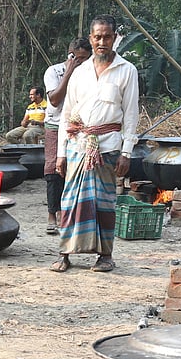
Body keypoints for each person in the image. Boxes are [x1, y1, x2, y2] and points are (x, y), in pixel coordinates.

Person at [51, 15, 139, 273]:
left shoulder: (127, 71)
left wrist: (126, 152)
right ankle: (65, 254)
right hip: (78, 146)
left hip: (109, 147)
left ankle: (105, 256)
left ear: (114, 38)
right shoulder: (79, 73)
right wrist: (60, 153)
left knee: (103, 203)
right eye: (97, 37)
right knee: (70, 202)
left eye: (107, 36)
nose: (102, 41)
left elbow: (131, 114)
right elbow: (66, 115)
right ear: (91, 39)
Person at [42, 38, 92, 235]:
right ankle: (52, 214)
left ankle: (70, 213)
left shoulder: (90, 74)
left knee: (76, 169)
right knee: (53, 170)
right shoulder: (54, 71)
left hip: (80, 127)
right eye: (77, 59)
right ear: (70, 56)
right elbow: (54, 100)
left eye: (85, 59)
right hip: (55, 125)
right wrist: (70, 72)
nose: (82, 63)